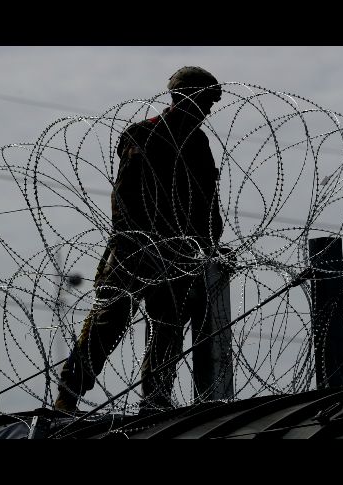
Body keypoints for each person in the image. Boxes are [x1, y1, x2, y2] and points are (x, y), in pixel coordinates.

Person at [55, 66, 224, 413]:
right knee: (108, 323)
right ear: (183, 97)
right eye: (205, 100)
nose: (209, 109)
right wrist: (132, 242)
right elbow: (125, 195)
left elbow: (207, 200)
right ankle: (68, 395)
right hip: (135, 249)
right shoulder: (145, 134)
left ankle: (156, 396)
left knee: (168, 325)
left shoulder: (198, 142)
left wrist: (209, 244)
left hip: (179, 253)